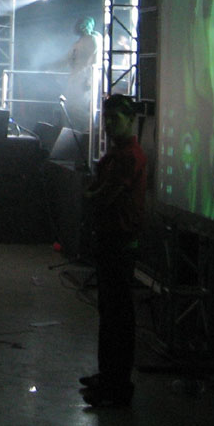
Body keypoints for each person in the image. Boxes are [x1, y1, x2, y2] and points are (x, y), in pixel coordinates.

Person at [80, 93, 147, 407]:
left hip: (119, 242)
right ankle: (108, 376)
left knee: (117, 318)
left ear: (131, 120)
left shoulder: (129, 156)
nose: (108, 124)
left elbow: (106, 194)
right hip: (110, 240)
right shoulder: (118, 154)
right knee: (109, 314)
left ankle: (116, 386)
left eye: (115, 118)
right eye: (106, 118)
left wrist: (90, 196)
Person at [65, 17, 102, 131]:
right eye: (81, 25)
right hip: (76, 77)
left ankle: (90, 129)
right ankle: (81, 130)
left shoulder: (92, 39)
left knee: (79, 107)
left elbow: (95, 61)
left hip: (84, 78)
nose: (83, 27)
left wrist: (90, 80)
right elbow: (69, 59)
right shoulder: (79, 42)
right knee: (71, 106)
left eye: (85, 25)